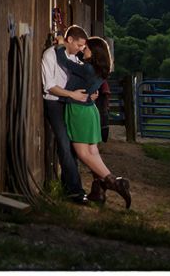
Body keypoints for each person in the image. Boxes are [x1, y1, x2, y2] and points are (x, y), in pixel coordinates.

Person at [56, 36, 132, 209]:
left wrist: (61, 45)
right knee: (92, 151)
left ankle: (113, 181)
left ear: (95, 51)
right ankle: (100, 188)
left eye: (87, 47)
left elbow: (64, 63)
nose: (83, 50)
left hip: (79, 111)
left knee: (83, 153)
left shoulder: (89, 69)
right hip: (90, 110)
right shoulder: (100, 70)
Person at [41, 24, 93, 204]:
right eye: (79, 45)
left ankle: (70, 187)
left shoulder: (76, 58)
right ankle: (75, 191)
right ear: (69, 40)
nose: (82, 49)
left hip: (71, 104)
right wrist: (72, 95)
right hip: (54, 103)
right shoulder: (50, 55)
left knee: (73, 146)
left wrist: (91, 92)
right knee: (63, 143)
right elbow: (50, 86)